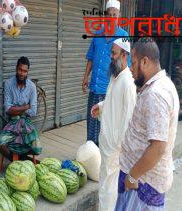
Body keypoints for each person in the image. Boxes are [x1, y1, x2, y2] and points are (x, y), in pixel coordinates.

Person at [115, 40, 179, 210]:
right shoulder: (162, 85)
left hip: (142, 184)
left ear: (145, 62)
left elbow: (157, 147)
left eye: (133, 63)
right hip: (140, 178)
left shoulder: (156, 95)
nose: (130, 68)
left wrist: (132, 177)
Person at [90, 38, 136, 211]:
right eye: (111, 52)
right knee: (104, 186)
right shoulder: (114, 76)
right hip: (107, 143)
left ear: (124, 55)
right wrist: (100, 107)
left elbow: (129, 119)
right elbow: (111, 103)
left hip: (115, 148)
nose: (111, 56)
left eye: (114, 53)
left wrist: (119, 147)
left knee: (109, 190)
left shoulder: (128, 83)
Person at [82, 0, 129, 146]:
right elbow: (91, 57)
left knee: (105, 128)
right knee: (91, 124)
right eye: (109, 14)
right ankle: (90, 154)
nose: (111, 17)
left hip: (109, 90)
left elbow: (127, 64)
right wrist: (85, 77)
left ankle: (101, 156)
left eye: (114, 15)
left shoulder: (123, 35)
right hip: (94, 88)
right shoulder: (98, 33)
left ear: (119, 16)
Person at [0, 56, 40, 162]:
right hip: (12, 122)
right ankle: (15, 162)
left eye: (25, 71)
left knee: (37, 148)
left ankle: (20, 159)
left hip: (26, 123)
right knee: (1, 145)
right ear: (17, 69)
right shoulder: (8, 84)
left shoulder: (31, 87)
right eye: (20, 70)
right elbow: (8, 109)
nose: (22, 73)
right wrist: (26, 106)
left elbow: (33, 111)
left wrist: (16, 108)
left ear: (27, 72)